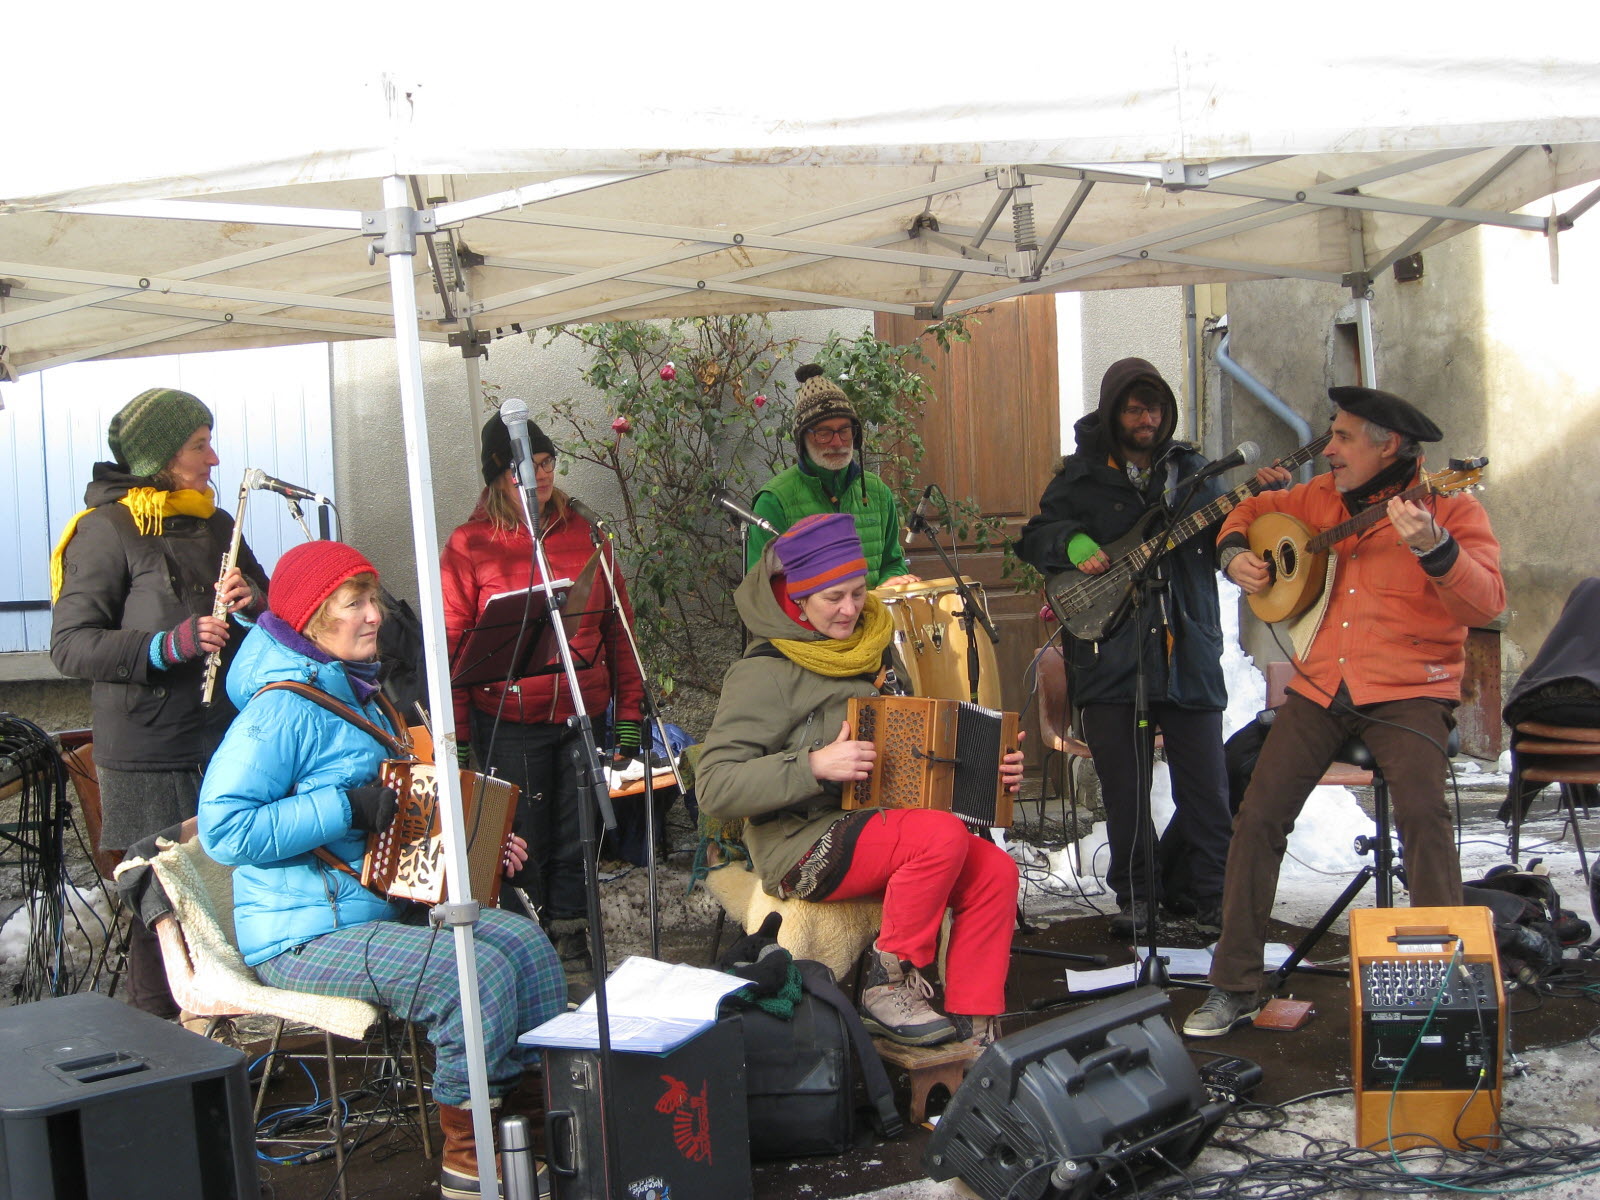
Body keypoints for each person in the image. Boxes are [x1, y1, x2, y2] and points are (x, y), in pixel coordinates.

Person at [198, 541, 566, 1200]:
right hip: (302, 936)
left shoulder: (361, 690)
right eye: (356, 603)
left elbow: (403, 815)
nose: (375, 616)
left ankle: (528, 1128)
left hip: (369, 909)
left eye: (374, 599)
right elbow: (225, 829)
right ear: (312, 618)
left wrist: (477, 855)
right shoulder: (278, 711)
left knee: (527, 947)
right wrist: (341, 805)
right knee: (470, 976)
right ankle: (472, 1155)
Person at [1184, 385, 1505, 1038]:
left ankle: (1443, 986)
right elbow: (1248, 513)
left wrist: (1436, 549)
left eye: (1343, 437)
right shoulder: (1317, 500)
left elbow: (1487, 605)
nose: (1327, 449)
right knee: (1257, 813)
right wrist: (1233, 555)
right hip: (1321, 687)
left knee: (1421, 813)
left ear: (1388, 445)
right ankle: (1236, 983)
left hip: (1410, 687)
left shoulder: (1452, 507)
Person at [698, 512, 1023, 1047]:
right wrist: (813, 766)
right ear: (799, 599)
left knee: (994, 870)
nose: (850, 609)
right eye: (833, 598)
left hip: (877, 828)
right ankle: (887, 979)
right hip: (801, 845)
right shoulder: (763, 672)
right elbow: (714, 786)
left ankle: (973, 1022)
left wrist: (993, 774)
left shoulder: (876, 646)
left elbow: (911, 758)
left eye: (856, 592)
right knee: (938, 837)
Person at [49, 386, 268, 1018]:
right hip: (147, 753)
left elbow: (275, 613)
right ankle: (159, 1059)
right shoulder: (105, 530)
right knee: (163, 914)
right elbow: (70, 646)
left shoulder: (217, 523)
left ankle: (228, 1055)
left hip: (224, 738)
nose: (215, 459)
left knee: (228, 899)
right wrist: (166, 645)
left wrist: (254, 598)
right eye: (200, 446)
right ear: (159, 456)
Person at [1015, 358, 1244, 939]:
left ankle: (1213, 898)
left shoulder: (1192, 470)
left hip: (1188, 650)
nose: (1148, 419)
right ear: (1115, 411)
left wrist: (1250, 528)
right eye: (1136, 409)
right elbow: (1033, 536)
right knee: (1125, 794)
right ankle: (1138, 902)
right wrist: (1071, 540)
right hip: (1111, 657)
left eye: (1156, 409)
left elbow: (1232, 532)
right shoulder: (1081, 477)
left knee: (1208, 790)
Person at [440, 412, 645, 987]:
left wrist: (627, 718)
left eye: (548, 464)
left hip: (581, 712)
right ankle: (530, 949)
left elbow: (618, 630)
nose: (539, 477)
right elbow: (453, 651)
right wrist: (457, 744)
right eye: (523, 470)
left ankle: (575, 940)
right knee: (523, 837)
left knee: (580, 831)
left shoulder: (587, 533)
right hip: (507, 718)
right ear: (497, 477)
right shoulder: (469, 545)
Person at [744, 363, 919, 588]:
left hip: (875, 621)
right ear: (802, 439)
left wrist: (891, 580)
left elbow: (892, 563)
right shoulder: (774, 500)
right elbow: (761, 588)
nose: (837, 442)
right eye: (823, 433)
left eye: (844, 430)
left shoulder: (877, 491)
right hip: (805, 624)